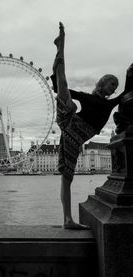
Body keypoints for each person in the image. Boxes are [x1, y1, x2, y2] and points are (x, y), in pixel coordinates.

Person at [51, 22, 132, 229]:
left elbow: (127, 92)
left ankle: (67, 219)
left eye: (115, 87)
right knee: (63, 84)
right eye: (110, 84)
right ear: (102, 82)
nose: (113, 90)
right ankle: (61, 45)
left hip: (75, 137)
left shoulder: (109, 104)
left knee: (67, 177)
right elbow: (66, 91)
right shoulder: (89, 98)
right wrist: (61, 88)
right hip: (71, 124)